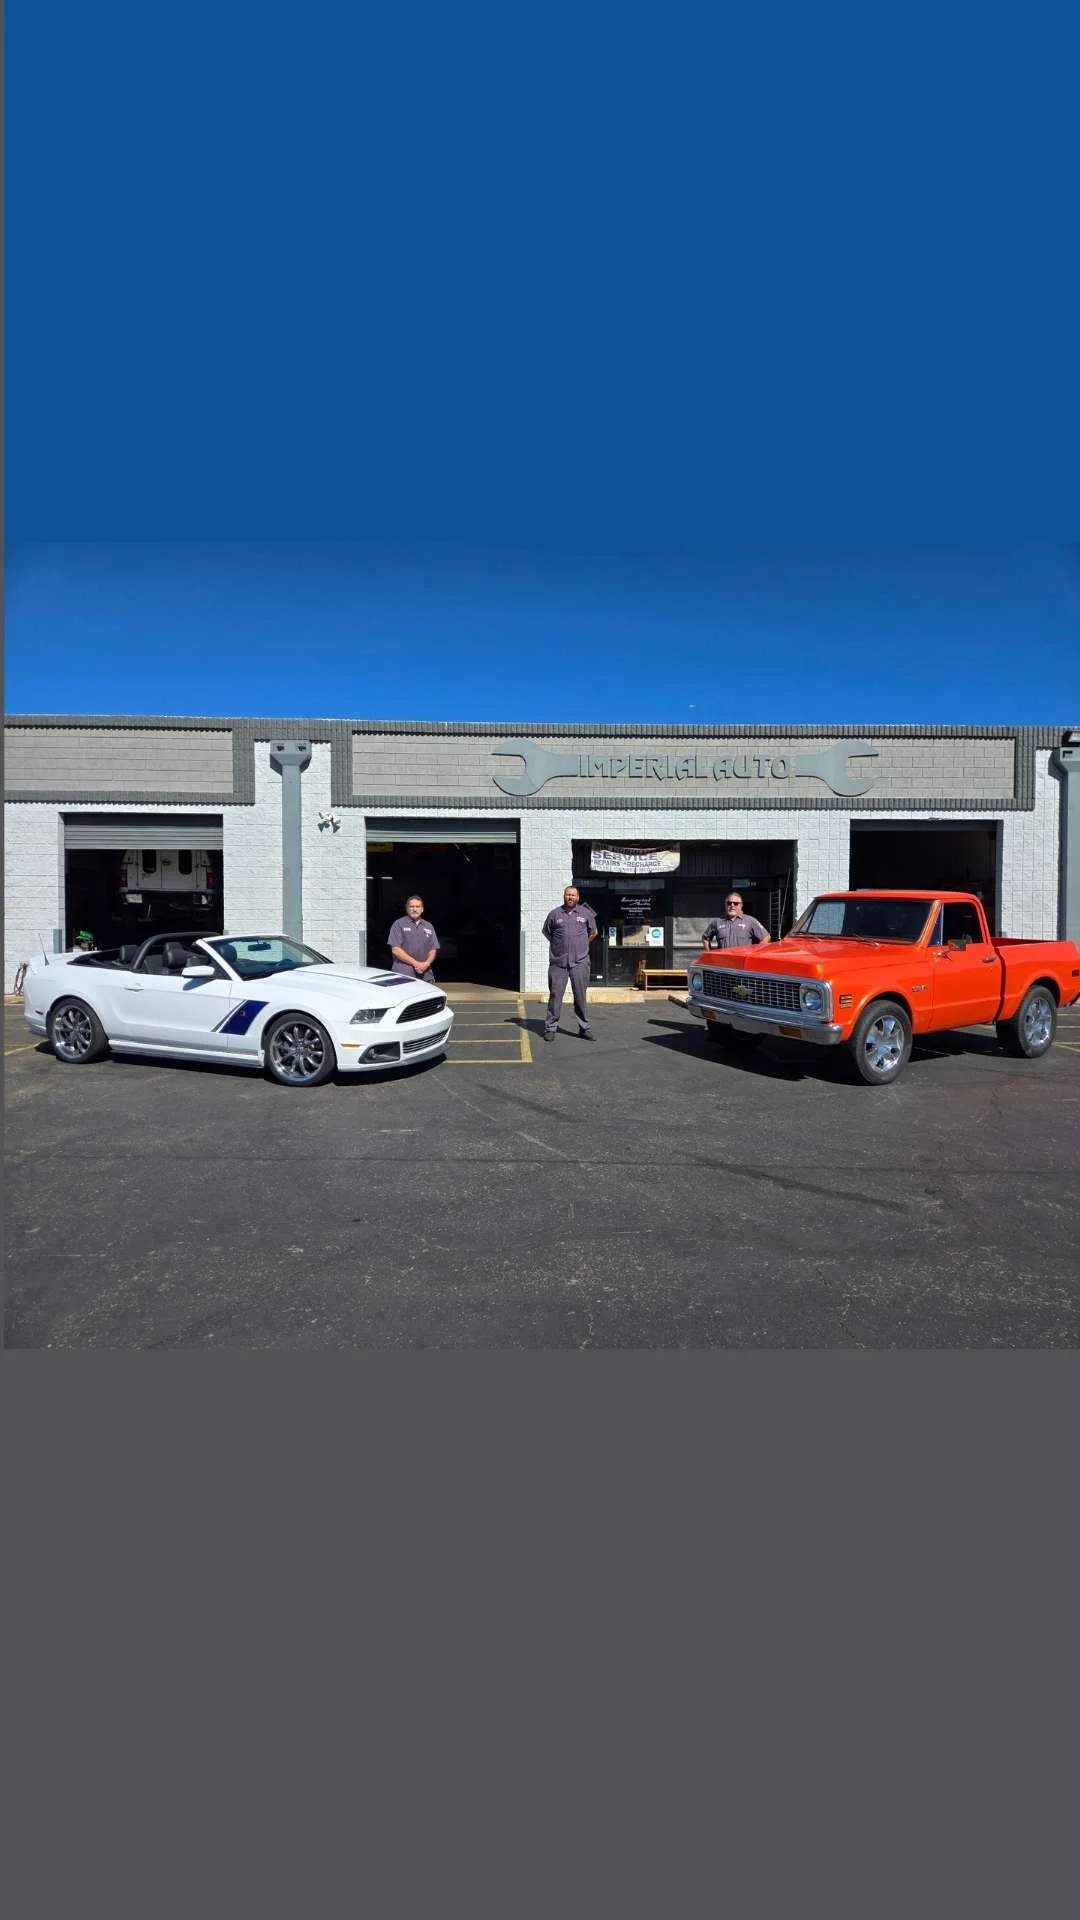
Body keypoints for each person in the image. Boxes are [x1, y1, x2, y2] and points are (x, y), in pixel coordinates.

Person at [541, 885, 598, 1041]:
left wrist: (582, 945)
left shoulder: (586, 913)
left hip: (580, 962)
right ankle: (551, 1028)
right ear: (564, 896)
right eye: (568, 895)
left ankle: (584, 1028)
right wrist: (559, 946)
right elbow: (547, 932)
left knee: (580, 996)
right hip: (558, 962)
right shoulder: (554, 914)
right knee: (555, 996)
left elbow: (593, 932)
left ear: (578, 897)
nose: (570, 897)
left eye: (573, 895)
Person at [387, 895, 440, 983]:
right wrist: (416, 964)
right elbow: (395, 950)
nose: (415, 909)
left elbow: (433, 949)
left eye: (417, 906)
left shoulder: (429, 926)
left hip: (426, 975)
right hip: (404, 975)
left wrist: (426, 963)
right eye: (411, 906)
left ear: (422, 909)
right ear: (407, 909)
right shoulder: (398, 924)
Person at [703, 892, 771, 950]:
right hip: (723, 962)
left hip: (742, 962)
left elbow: (766, 937)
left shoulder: (750, 921)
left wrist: (754, 952)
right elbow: (705, 938)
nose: (732, 905)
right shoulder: (717, 922)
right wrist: (709, 954)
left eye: (736, 903)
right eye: (729, 903)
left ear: (741, 906)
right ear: (725, 905)